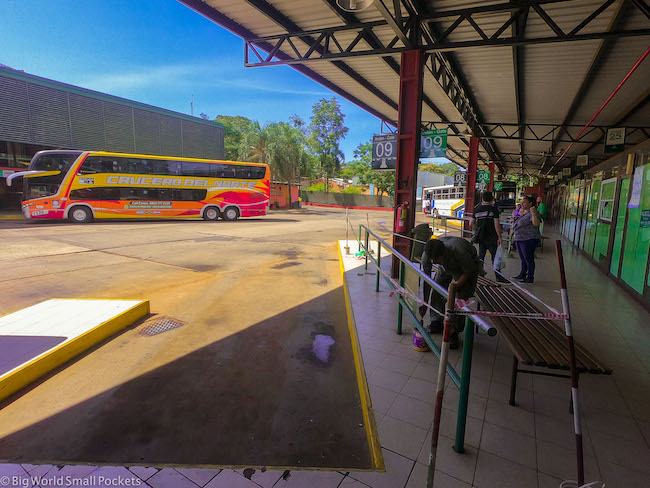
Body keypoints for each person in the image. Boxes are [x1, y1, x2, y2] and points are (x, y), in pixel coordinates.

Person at [419, 236, 483, 349]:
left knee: (459, 298)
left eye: (436, 259)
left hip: (466, 267)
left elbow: (469, 270)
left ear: (443, 254)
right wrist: (424, 303)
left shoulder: (459, 251)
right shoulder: (427, 255)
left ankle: (454, 332)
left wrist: (455, 288)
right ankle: (436, 322)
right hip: (446, 265)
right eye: (431, 259)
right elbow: (428, 281)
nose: (433, 262)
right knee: (437, 290)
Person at [471, 191, 507, 282]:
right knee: (495, 257)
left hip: (481, 237)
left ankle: (480, 275)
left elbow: (471, 223)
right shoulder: (493, 209)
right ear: (491, 199)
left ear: (482, 199)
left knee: (481, 256)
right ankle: (498, 277)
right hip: (492, 237)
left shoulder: (477, 209)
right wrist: (499, 236)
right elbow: (496, 224)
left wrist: (477, 229)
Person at [512, 195, 541, 283]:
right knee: (523, 258)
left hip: (528, 239)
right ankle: (523, 273)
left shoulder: (534, 213)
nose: (522, 204)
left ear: (530, 203)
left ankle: (530, 277)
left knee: (528, 259)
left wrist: (533, 213)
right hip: (520, 239)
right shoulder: (524, 213)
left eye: (524, 202)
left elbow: (536, 224)